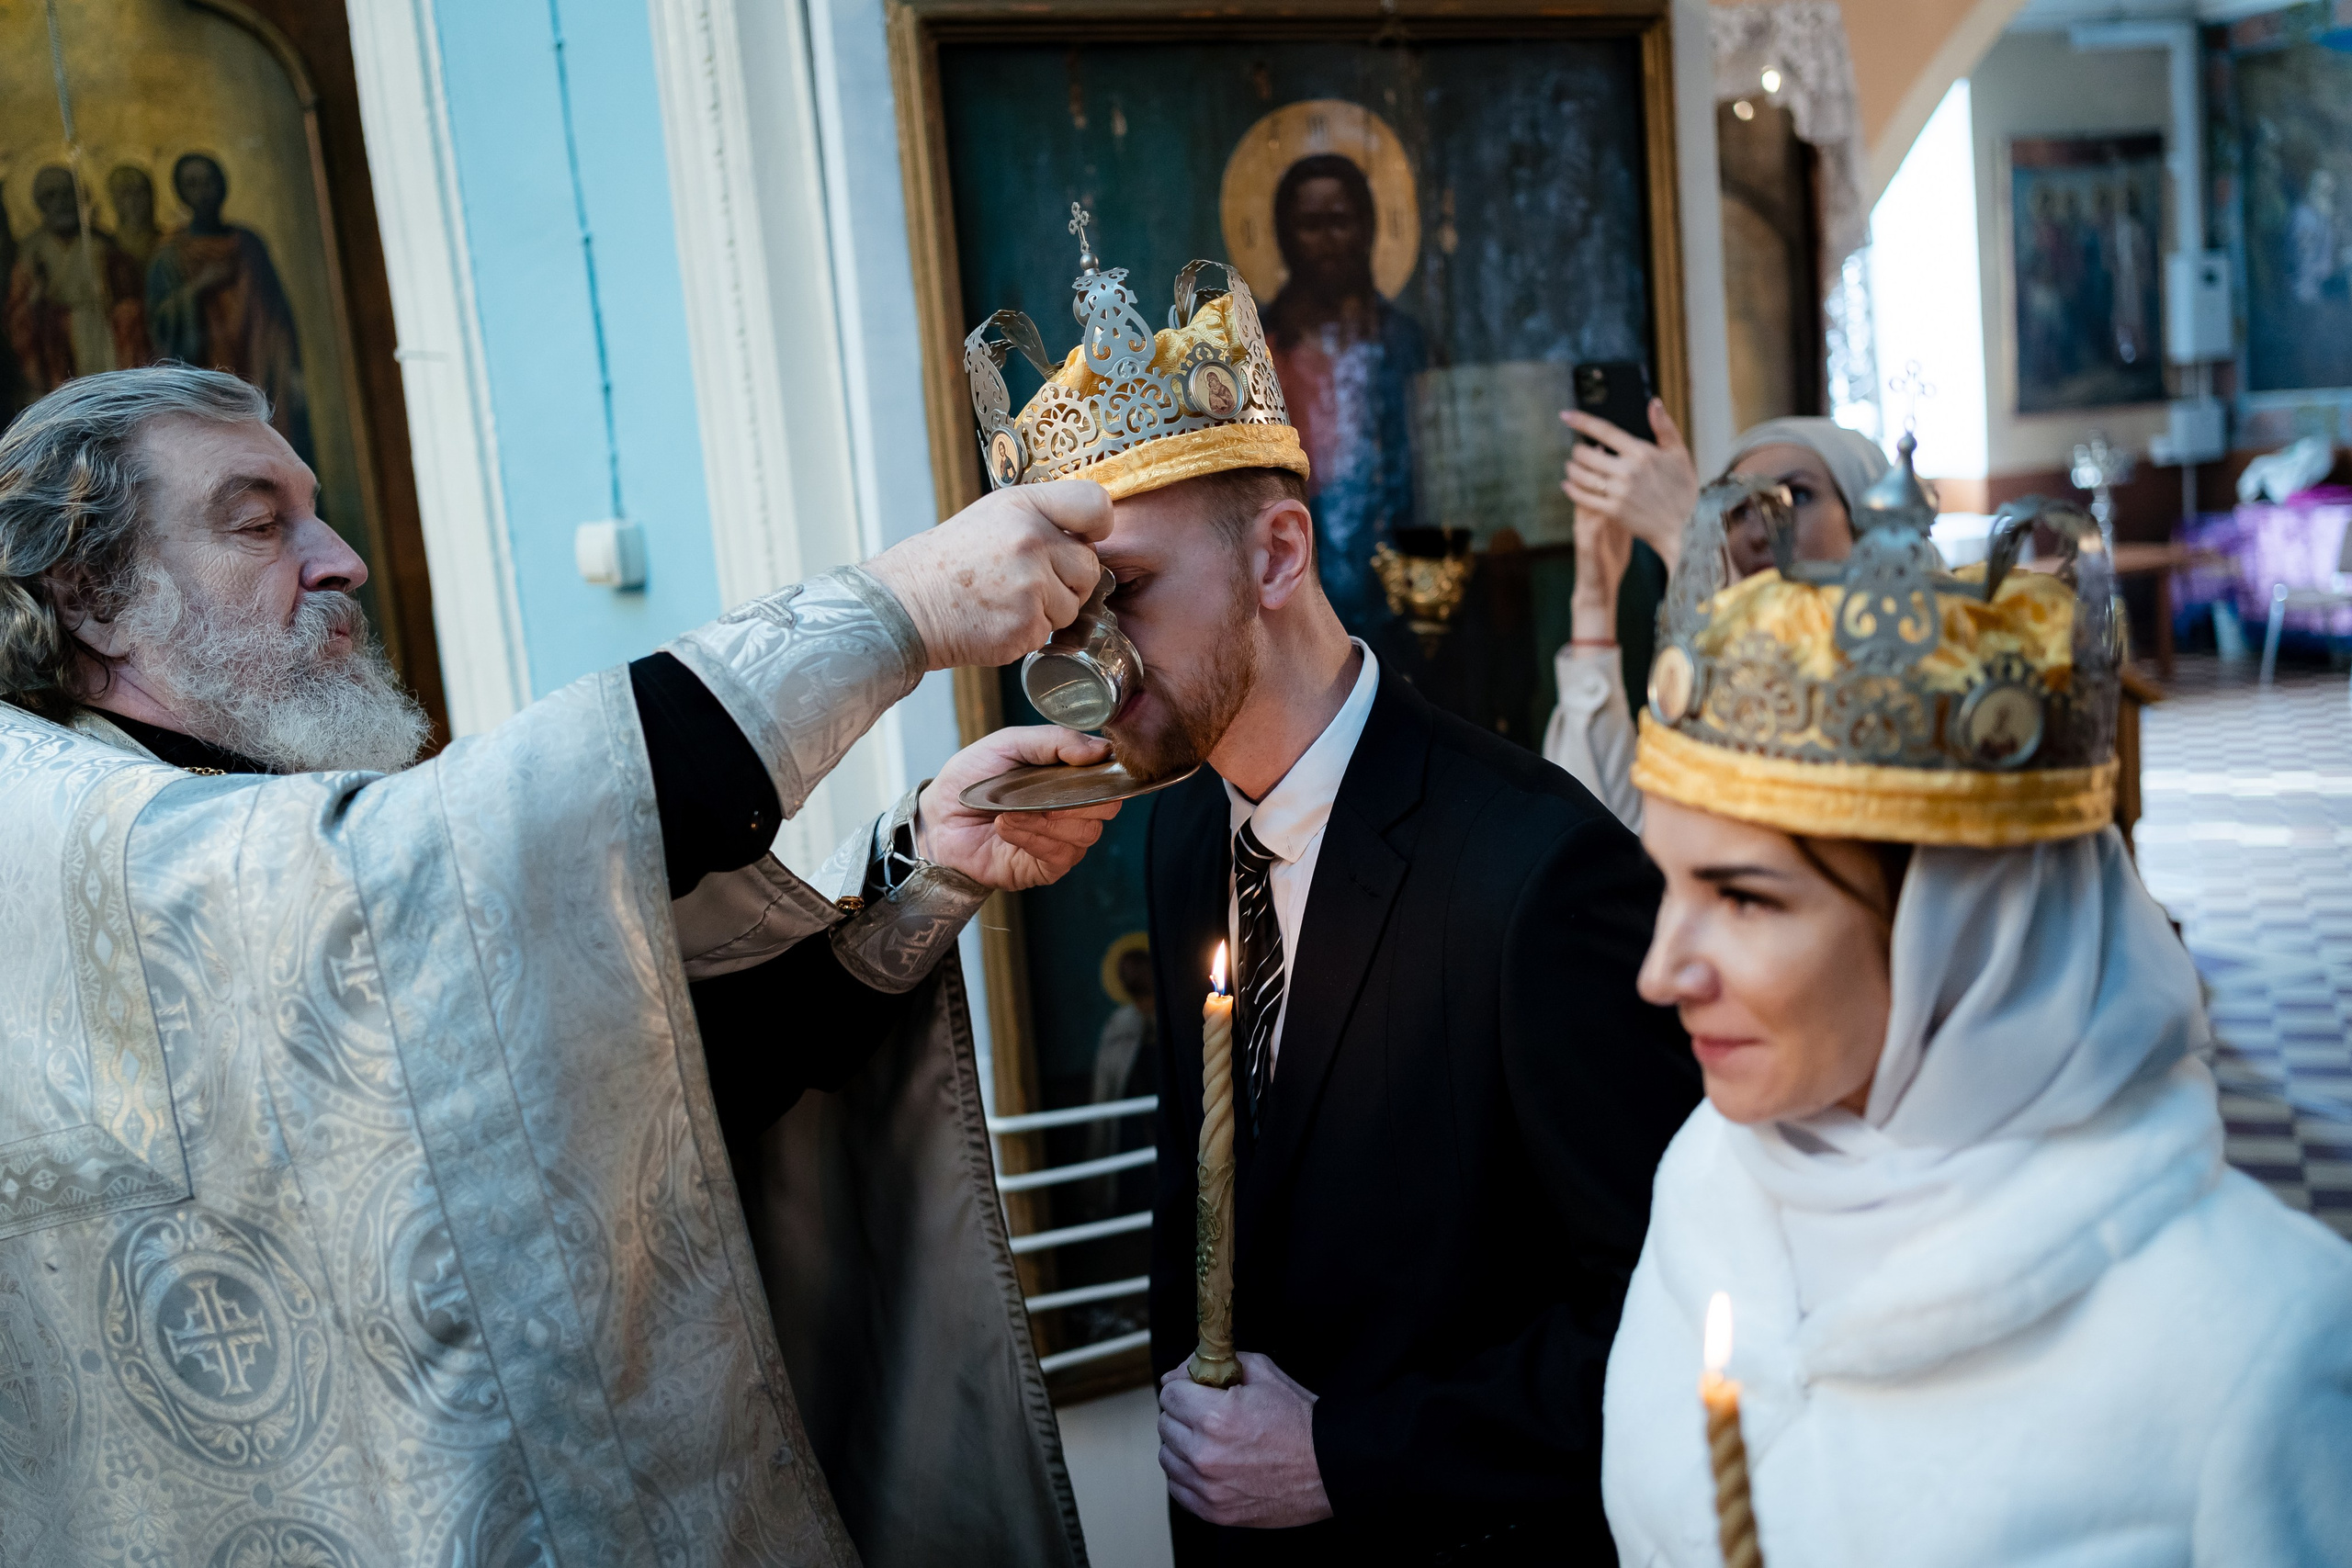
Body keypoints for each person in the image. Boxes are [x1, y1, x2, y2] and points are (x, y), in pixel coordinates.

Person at [0, 365, 1125, 1566]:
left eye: (314, 511)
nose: (339, 560)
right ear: (91, 593)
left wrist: (927, 877)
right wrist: (900, 609)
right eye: (260, 521)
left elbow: (644, 1084)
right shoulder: (78, 837)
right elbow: (437, 859)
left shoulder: (233, 803)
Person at [965, 219, 1696, 1561]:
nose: (1092, 658)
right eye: (1070, 614)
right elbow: (1212, 1232)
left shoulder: (1540, 876)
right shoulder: (1185, 836)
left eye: (1121, 593)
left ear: (1278, 555)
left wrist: (1341, 1456)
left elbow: (1677, 1314)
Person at [1600, 440, 2352, 1564]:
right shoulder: (1708, 1178)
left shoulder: (2250, 1342)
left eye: (1745, 900)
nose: (1660, 975)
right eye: (1670, 885)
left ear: (1965, 933)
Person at [1546, 405, 1891, 830]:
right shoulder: (1703, 647)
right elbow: (1604, 836)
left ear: (1868, 520)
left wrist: (1685, 539)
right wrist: (1593, 600)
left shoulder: (1920, 652)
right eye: (1737, 509)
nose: (1760, 532)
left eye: (1796, 496)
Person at [1262, 152, 1429, 642]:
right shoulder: (1260, 349)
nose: (1327, 241)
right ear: (1284, 237)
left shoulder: (1407, 343)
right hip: (1295, 596)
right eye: (1309, 225)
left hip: (1406, 596)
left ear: (1368, 228)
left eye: (1340, 221)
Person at [147, 153, 312, 461]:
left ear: (222, 185)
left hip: (258, 360)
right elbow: (160, 323)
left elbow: (276, 314)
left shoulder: (249, 243)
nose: (203, 192)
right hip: (209, 367)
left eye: (209, 181)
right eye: (193, 184)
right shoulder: (170, 255)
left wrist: (288, 369)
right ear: (181, 193)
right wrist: (198, 288)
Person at [5, 165, 147, 392]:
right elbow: (19, 316)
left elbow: (130, 299)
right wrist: (37, 301)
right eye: (51, 195)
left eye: (68, 193)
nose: (61, 202)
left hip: (105, 338)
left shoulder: (104, 245)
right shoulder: (31, 253)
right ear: (40, 204)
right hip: (58, 347)